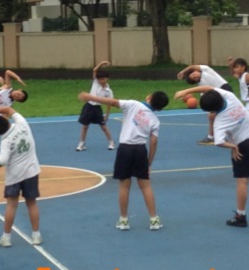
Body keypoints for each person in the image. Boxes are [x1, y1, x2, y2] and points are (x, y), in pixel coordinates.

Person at [174, 85, 249, 227]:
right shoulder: (230, 97)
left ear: (211, 110)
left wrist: (233, 146)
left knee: (242, 181)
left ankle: (241, 216)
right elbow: (208, 87)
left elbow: (219, 142)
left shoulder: (220, 121)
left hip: (243, 145)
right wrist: (186, 91)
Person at [77, 89, 168, 231]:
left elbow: (112, 102)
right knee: (145, 186)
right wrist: (149, 163)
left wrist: (90, 97)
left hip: (125, 149)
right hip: (140, 150)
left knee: (124, 186)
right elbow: (154, 142)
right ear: (160, 109)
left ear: (149, 97)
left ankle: (124, 220)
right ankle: (154, 219)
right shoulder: (155, 121)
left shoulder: (133, 104)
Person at [0, 108, 42, 248]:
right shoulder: (22, 124)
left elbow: (3, 160)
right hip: (32, 171)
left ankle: (6, 237)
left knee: (11, 205)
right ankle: (36, 235)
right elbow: (10, 109)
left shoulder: (6, 140)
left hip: (15, 176)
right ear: (5, 119)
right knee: (32, 203)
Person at [176, 62, 233, 144]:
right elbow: (205, 99)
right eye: (194, 78)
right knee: (211, 116)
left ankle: (223, 135)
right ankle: (211, 137)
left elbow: (192, 66)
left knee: (225, 114)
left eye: (193, 74)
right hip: (217, 96)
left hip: (225, 90)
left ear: (195, 71)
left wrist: (183, 71)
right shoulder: (201, 85)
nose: (195, 76)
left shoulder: (206, 69)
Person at [0, 70, 28, 155]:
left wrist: (4, 120)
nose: (17, 96)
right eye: (19, 94)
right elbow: (7, 72)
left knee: (5, 127)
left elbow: (5, 113)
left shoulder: (10, 103)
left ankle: (9, 145)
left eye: (19, 98)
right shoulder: (7, 87)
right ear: (19, 89)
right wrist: (17, 78)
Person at [76, 61, 115, 151]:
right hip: (88, 107)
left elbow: (110, 103)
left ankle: (111, 142)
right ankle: (82, 143)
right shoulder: (95, 83)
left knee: (103, 126)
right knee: (85, 126)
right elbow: (95, 70)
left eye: (103, 79)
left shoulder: (108, 91)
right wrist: (102, 63)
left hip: (97, 109)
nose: (101, 81)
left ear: (107, 78)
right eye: (99, 79)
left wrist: (107, 115)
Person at [226, 57, 249, 130]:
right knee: (248, 123)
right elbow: (233, 74)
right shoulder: (240, 76)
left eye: (237, 67)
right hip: (248, 103)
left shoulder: (247, 75)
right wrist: (230, 65)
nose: (235, 69)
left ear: (243, 67)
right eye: (234, 68)